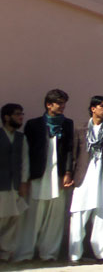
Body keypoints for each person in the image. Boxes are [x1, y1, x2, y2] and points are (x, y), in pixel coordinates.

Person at [18, 88, 74, 263]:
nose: (62, 106)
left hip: (58, 175)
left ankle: (49, 254)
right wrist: (25, 178)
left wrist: (68, 172)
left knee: (55, 217)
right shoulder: (33, 125)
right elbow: (26, 152)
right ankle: (25, 254)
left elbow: (69, 149)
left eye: (64, 103)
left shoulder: (67, 124)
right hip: (38, 175)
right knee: (32, 216)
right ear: (49, 104)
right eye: (59, 103)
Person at [69, 96, 103, 264]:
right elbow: (72, 153)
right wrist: (68, 173)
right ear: (93, 108)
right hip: (84, 176)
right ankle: (75, 255)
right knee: (79, 214)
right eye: (102, 106)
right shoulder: (80, 129)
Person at [0, 104, 28, 262]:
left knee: (13, 218)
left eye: (21, 114)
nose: (21, 117)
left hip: (15, 185)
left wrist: (23, 182)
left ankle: (5, 253)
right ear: (6, 117)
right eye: (17, 114)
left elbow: (25, 161)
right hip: (1, 185)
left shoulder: (21, 138)